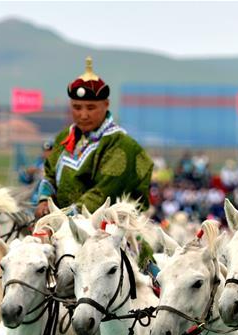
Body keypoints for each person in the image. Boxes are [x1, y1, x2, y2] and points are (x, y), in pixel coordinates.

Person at [35, 57, 153, 217]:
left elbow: (103, 194)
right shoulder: (65, 136)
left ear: (106, 104)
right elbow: (50, 173)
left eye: (91, 108)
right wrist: (44, 200)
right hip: (60, 223)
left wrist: (62, 217)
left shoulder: (122, 145)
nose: (83, 115)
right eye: (76, 107)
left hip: (108, 229)